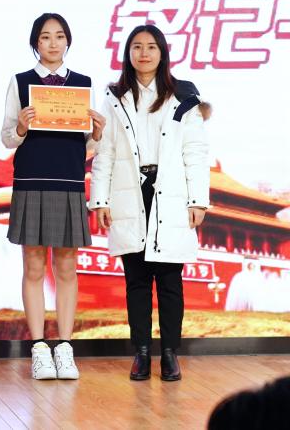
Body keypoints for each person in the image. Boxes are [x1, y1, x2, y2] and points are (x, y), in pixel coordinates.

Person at [89, 24, 209, 382]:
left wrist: (197, 200)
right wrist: (100, 199)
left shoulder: (183, 96)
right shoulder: (115, 97)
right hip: (131, 192)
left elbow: (195, 152)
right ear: (128, 53)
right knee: (137, 281)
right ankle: (141, 353)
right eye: (137, 47)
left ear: (162, 53)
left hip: (170, 195)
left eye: (151, 47)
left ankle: (170, 353)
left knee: (170, 281)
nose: (144, 53)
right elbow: (105, 152)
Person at [0, 13, 105, 380]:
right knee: (33, 266)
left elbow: (89, 146)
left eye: (60, 36)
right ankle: (39, 349)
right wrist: (21, 126)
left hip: (69, 181)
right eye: (45, 37)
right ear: (36, 43)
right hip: (30, 179)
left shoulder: (83, 84)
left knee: (66, 267)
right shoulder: (20, 82)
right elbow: (7, 138)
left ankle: (65, 347)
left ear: (68, 41)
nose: (53, 43)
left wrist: (98, 133)